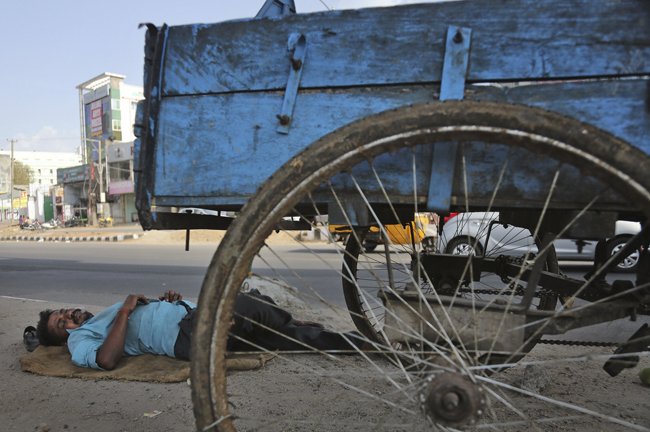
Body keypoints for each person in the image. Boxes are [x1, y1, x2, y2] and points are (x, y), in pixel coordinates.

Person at [36, 289, 367, 370]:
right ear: (62, 338)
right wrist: (125, 308)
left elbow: (141, 319)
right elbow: (107, 359)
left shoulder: (97, 320)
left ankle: (369, 346)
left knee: (291, 340)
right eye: (60, 324)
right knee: (239, 299)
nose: (68, 317)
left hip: (191, 320)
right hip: (188, 335)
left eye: (64, 312)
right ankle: (284, 318)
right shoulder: (80, 340)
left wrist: (167, 302)